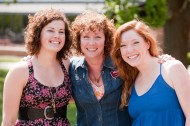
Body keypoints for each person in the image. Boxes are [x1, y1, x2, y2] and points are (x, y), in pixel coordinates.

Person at [111, 19, 190, 126]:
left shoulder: (172, 68)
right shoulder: (130, 83)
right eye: (123, 45)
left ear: (147, 43)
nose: (129, 50)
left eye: (135, 42)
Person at [1, 8, 72, 126]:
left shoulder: (66, 64)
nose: (57, 35)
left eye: (61, 31)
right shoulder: (20, 71)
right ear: (38, 34)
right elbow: (8, 121)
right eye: (51, 30)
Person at [69, 11, 132, 126]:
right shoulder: (72, 68)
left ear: (106, 39)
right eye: (86, 37)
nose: (91, 43)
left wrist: (163, 60)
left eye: (97, 37)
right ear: (79, 40)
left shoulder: (121, 64)